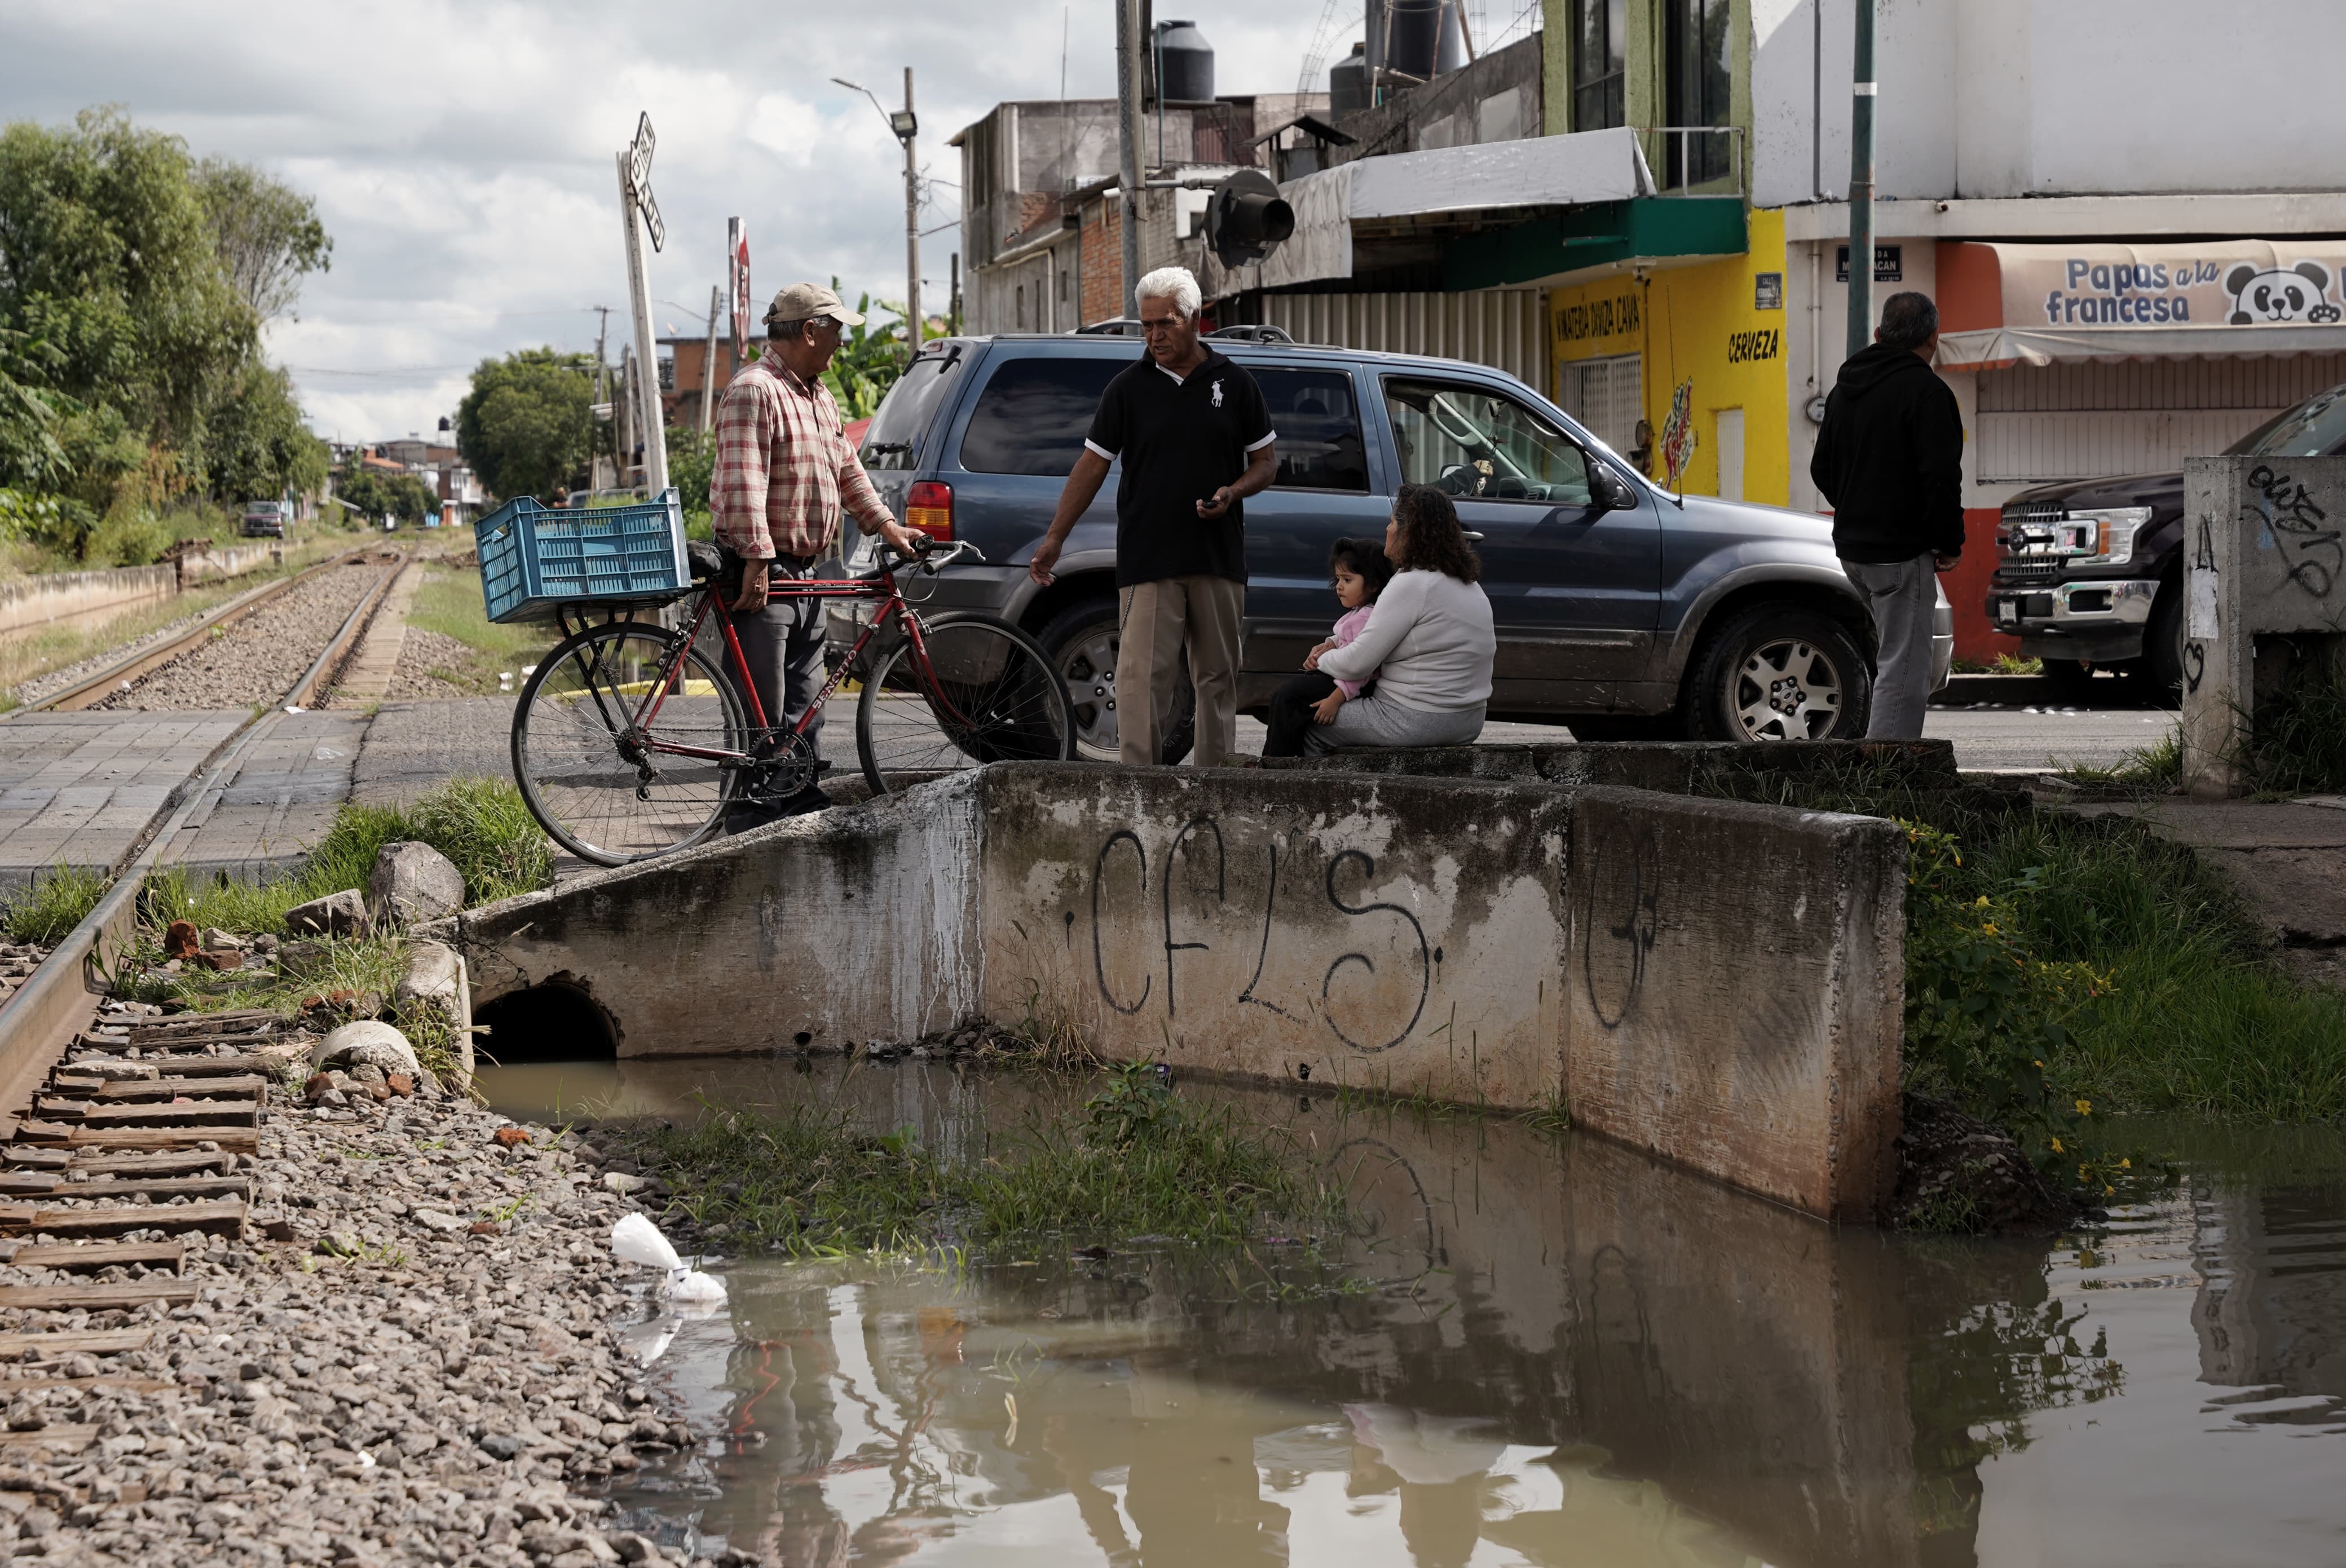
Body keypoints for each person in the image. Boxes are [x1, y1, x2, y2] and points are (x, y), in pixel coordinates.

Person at [1028, 265, 1278, 766]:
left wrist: (1232, 492)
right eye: (1146, 326)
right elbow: (1092, 464)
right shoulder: (1127, 388)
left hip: (1218, 556)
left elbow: (1266, 464)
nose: (1155, 336)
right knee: (1142, 678)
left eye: (1165, 323)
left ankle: (1215, 781)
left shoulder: (1236, 383)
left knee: (1216, 676)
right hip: (1149, 558)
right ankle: (1139, 789)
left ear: (1194, 318)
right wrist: (1056, 537)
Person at [710, 281, 927, 824]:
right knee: (761, 707)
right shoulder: (755, 390)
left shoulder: (817, 395)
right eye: (836, 332)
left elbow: (848, 471)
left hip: (805, 571)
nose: (840, 345)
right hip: (764, 568)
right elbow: (742, 482)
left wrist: (887, 526)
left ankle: (800, 802)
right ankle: (748, 819)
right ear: (810, 331)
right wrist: (757, 561)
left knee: (806, 702)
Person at [1809, 289, 1964, 741]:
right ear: (1934, 337)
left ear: (1879, 334)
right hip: (1899, 554)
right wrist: (1948, 542)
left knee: (1890, 655)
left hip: (1854, 552)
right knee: (1905, 665)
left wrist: (1859, 506)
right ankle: (1889, 773)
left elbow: (1822, 468)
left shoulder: (1844, 391)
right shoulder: (1928, 393)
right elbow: (1939, 477)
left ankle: (1883, 758)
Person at [1307, 484, 1494, 753]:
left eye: (1392, 523)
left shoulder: (1413, 582)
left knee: (1305, 719)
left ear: (1409, 533)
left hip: (1419, 717)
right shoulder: (1468, 583)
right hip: (1470, 719)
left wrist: (1320, 660)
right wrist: (1335, 643)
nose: (1388, 530)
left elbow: (1356, 666)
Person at [1260, 537, 1392, 758]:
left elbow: (1361, 669)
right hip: (1341, 678)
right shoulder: (1359, 612)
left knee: (1288, 698)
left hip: (1350, 686)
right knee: (1286, 697)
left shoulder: (1367, 617)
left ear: (1373, 584)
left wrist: (1336, 700)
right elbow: (1343, 641)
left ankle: (1278, 761)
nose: (1339, 586)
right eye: (1339, 578)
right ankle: (1277, 758)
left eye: (1348, 580)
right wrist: (1329, 644)